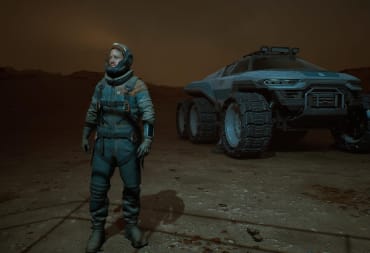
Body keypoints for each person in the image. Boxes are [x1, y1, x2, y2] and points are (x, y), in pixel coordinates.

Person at [81, 42, 155, 252]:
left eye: (117, 57)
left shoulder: (136, 85)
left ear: (126, 59)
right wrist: (86, 134)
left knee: (132, 189)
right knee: (97, 190)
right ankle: (97, 229)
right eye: (110, 57)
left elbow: (148, 115)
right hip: (103, 146)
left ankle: (131, 226)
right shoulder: (101, 86)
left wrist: (148, 140)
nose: (112, 60)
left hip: (127, 146)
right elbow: (92, 112)